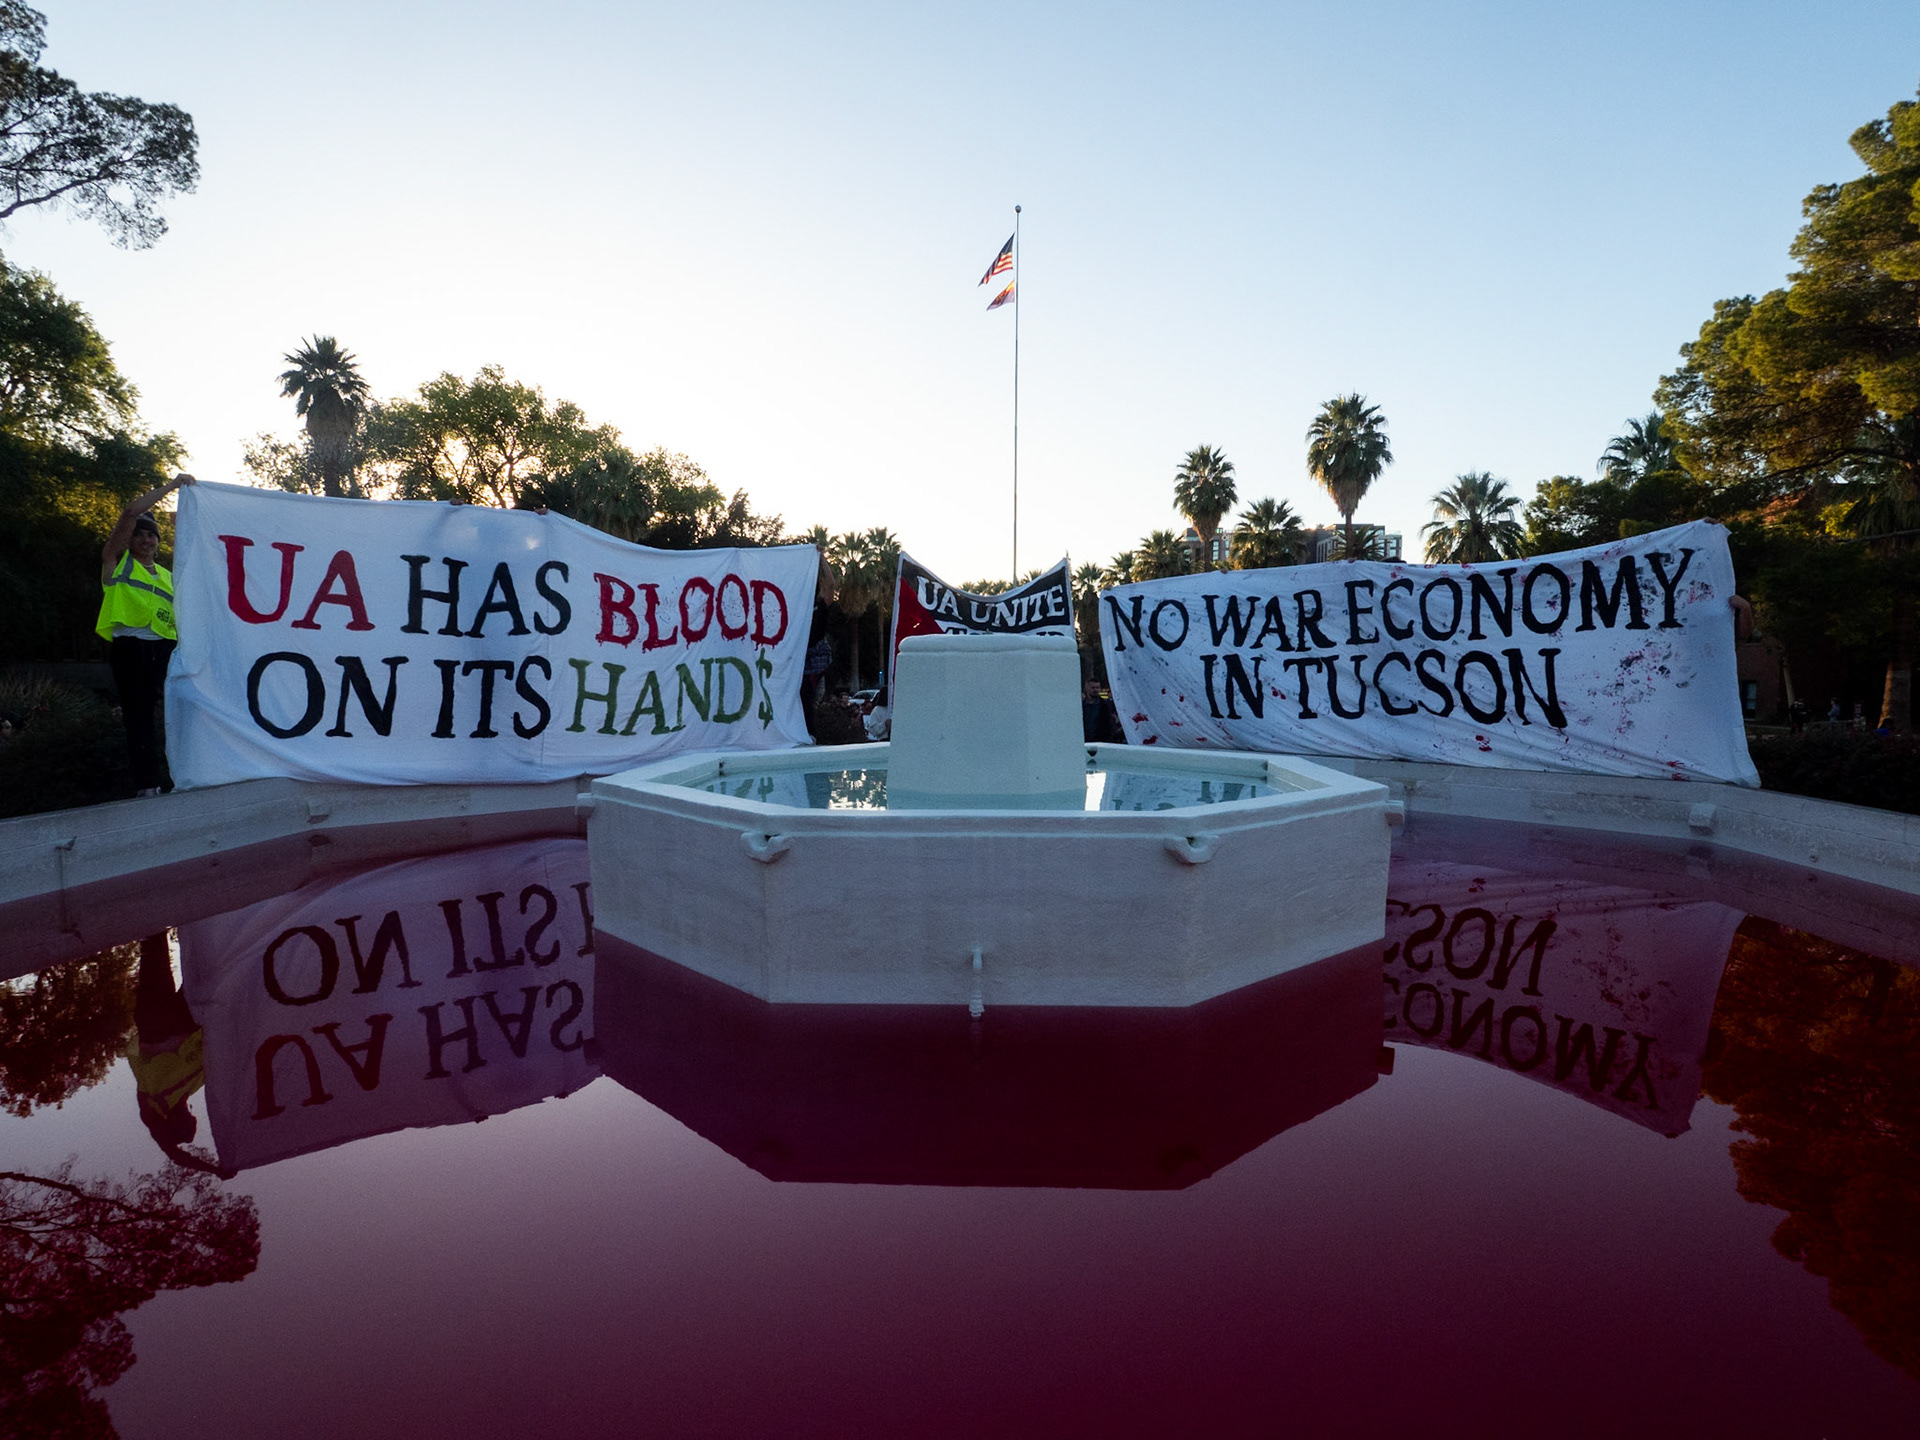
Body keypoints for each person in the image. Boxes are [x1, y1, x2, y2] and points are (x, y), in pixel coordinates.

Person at [98, 473, 193, 796]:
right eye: (139, 534)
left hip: (166, 650)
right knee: (138, 718)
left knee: (184, 711)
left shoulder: (169, 576)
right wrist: (171, 487)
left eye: (151, 534)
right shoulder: (117, 563)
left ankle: (185, 776)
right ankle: (148, 786)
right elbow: (128, 513)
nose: (145, 540)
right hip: (131, 649)